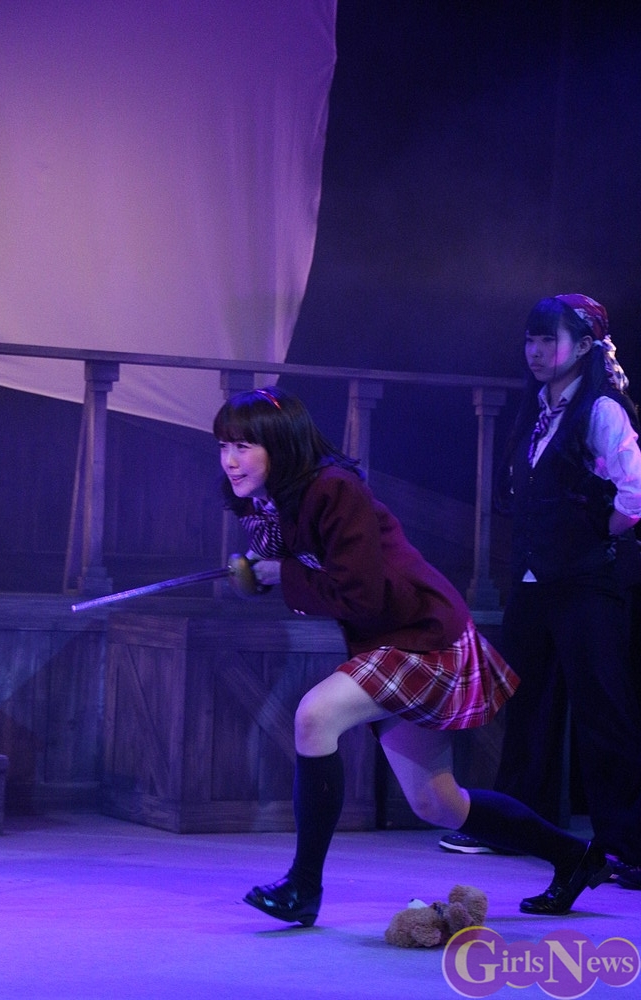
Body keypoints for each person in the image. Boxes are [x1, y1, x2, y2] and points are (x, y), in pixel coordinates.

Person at [213, 384, 613, 926]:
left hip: (423, 634)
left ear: (280, 443)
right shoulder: (276, 502)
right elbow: (310, 572)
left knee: (314, 716)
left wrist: (280, 574)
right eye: (224, 446)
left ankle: (302, 888)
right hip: (389, 639)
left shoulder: (334, 489)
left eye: (243, 446)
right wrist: (266, 573)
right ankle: (577, 857)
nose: (230, 460)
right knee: (436, 802)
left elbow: (360, 595)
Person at [439, 294, 641, 891]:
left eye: (548, 339)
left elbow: (635, 491)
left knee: (602, 711)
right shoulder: (538, 408)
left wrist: (596, 535)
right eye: (530, 339)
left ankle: (626, 844)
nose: (535, 351)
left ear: (584, 347)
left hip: (587, 582)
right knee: (527, 705)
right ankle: (517, 827)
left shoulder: (600, 410)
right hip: (534, 580)